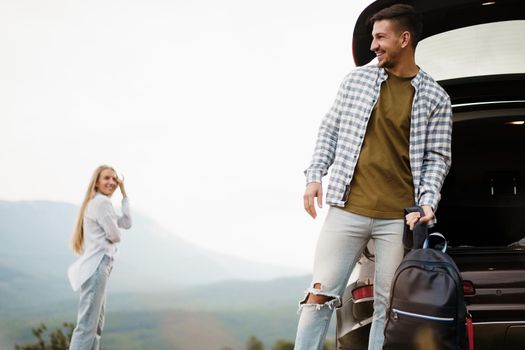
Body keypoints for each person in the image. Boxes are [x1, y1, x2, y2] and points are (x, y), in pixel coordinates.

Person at [294, 4, 452, 350]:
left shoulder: (435, 97)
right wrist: (315, 175)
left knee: (388, 307)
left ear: (404, 39)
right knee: (317, 297)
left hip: (397, 220)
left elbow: (436, 159)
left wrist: (427, 203)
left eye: (380, 37)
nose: (373, 45)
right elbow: (329, 130)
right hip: (347, 209)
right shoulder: (356, 80)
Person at [67, 165, 132, 350]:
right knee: (87, 326)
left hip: (101, 267)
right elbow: (116, 235)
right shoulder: (101, 203)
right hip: (98, 267)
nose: (111, 182)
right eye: (106, 178)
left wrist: (124, 193)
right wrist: (113, 231)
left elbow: (127, 222)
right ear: (96, 182)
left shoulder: (100, 203)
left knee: (95, 326)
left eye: (114, 179)